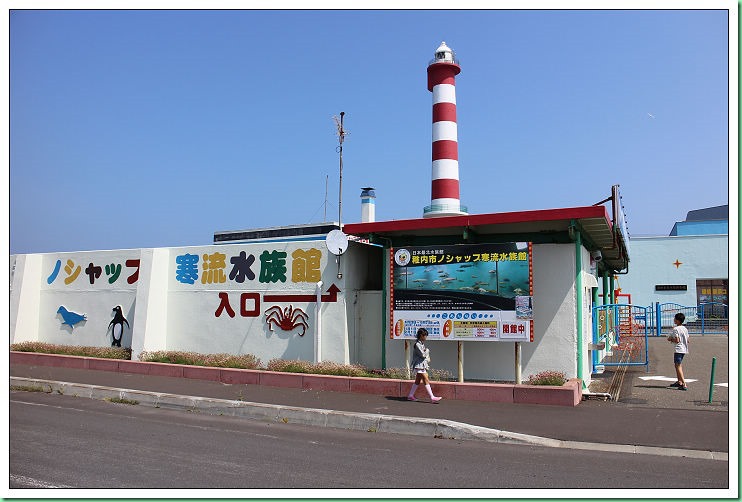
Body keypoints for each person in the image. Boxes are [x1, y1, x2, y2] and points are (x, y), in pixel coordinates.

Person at [407, 328, 442, 403]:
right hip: (419, 365)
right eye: (425, 335)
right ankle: (432, 397)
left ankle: (410, 395)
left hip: (421, 365)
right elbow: (422, 355)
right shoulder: (417, 344)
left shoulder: (421, 344)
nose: (426, 337)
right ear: (421, 335)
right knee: (426, 379)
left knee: (418, 381)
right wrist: (427, 351)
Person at [667, 312, 690, 391]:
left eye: (675, 318)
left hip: (678, 349)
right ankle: (679, 381)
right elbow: (688, 340)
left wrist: (670, 339)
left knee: (678, 366)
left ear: (677, 320)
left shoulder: (676, 329)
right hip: (684, 349)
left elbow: (677, 340)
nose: (674, 319)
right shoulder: (685, 329)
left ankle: (684, 383)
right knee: (677, 365)